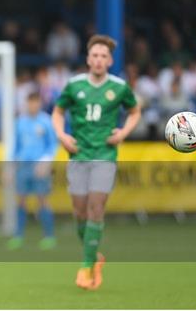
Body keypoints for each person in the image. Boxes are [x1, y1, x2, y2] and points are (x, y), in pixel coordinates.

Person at [51, 35, 141, 290]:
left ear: (110, 60)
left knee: (96, 207)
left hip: (105, 155)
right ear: (88, 59)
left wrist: (123, 133)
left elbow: (135, 112)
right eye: (95, 56)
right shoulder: (74, 85)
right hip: (78, 154)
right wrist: (62, 135)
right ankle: (94, 257)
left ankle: (86, 267)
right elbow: (58, 112)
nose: (99, 60)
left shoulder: (120, 87)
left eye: (104, 56)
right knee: (80, 213)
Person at [7, 92, 58, 251]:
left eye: (35, 102)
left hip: (39, 166)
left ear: (40, 103)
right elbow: (15, 146)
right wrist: (10, 167)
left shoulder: (46, 121)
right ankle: (18, 236)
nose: (32, 105)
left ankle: (49, 236)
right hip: (23, 165)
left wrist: (45, 162)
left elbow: (53, 144)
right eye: (30, 102)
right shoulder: (20, 122)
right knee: (21, 200)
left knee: (42, 200)